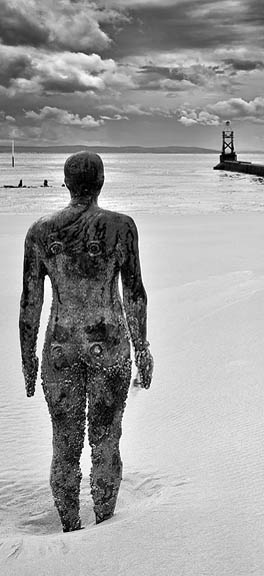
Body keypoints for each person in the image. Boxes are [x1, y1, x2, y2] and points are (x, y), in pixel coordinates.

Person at [19, 151, 153, 532]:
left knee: (64, 443)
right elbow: (135, 293)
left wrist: (28, 360)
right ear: (101, 183)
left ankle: (71, 526)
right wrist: (142, 346)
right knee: (106, 437)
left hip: (60, 347)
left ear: (66, 183)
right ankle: (105, 524)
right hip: (108, 342)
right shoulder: (121, 227)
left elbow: (31, 303)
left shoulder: (40, 231)